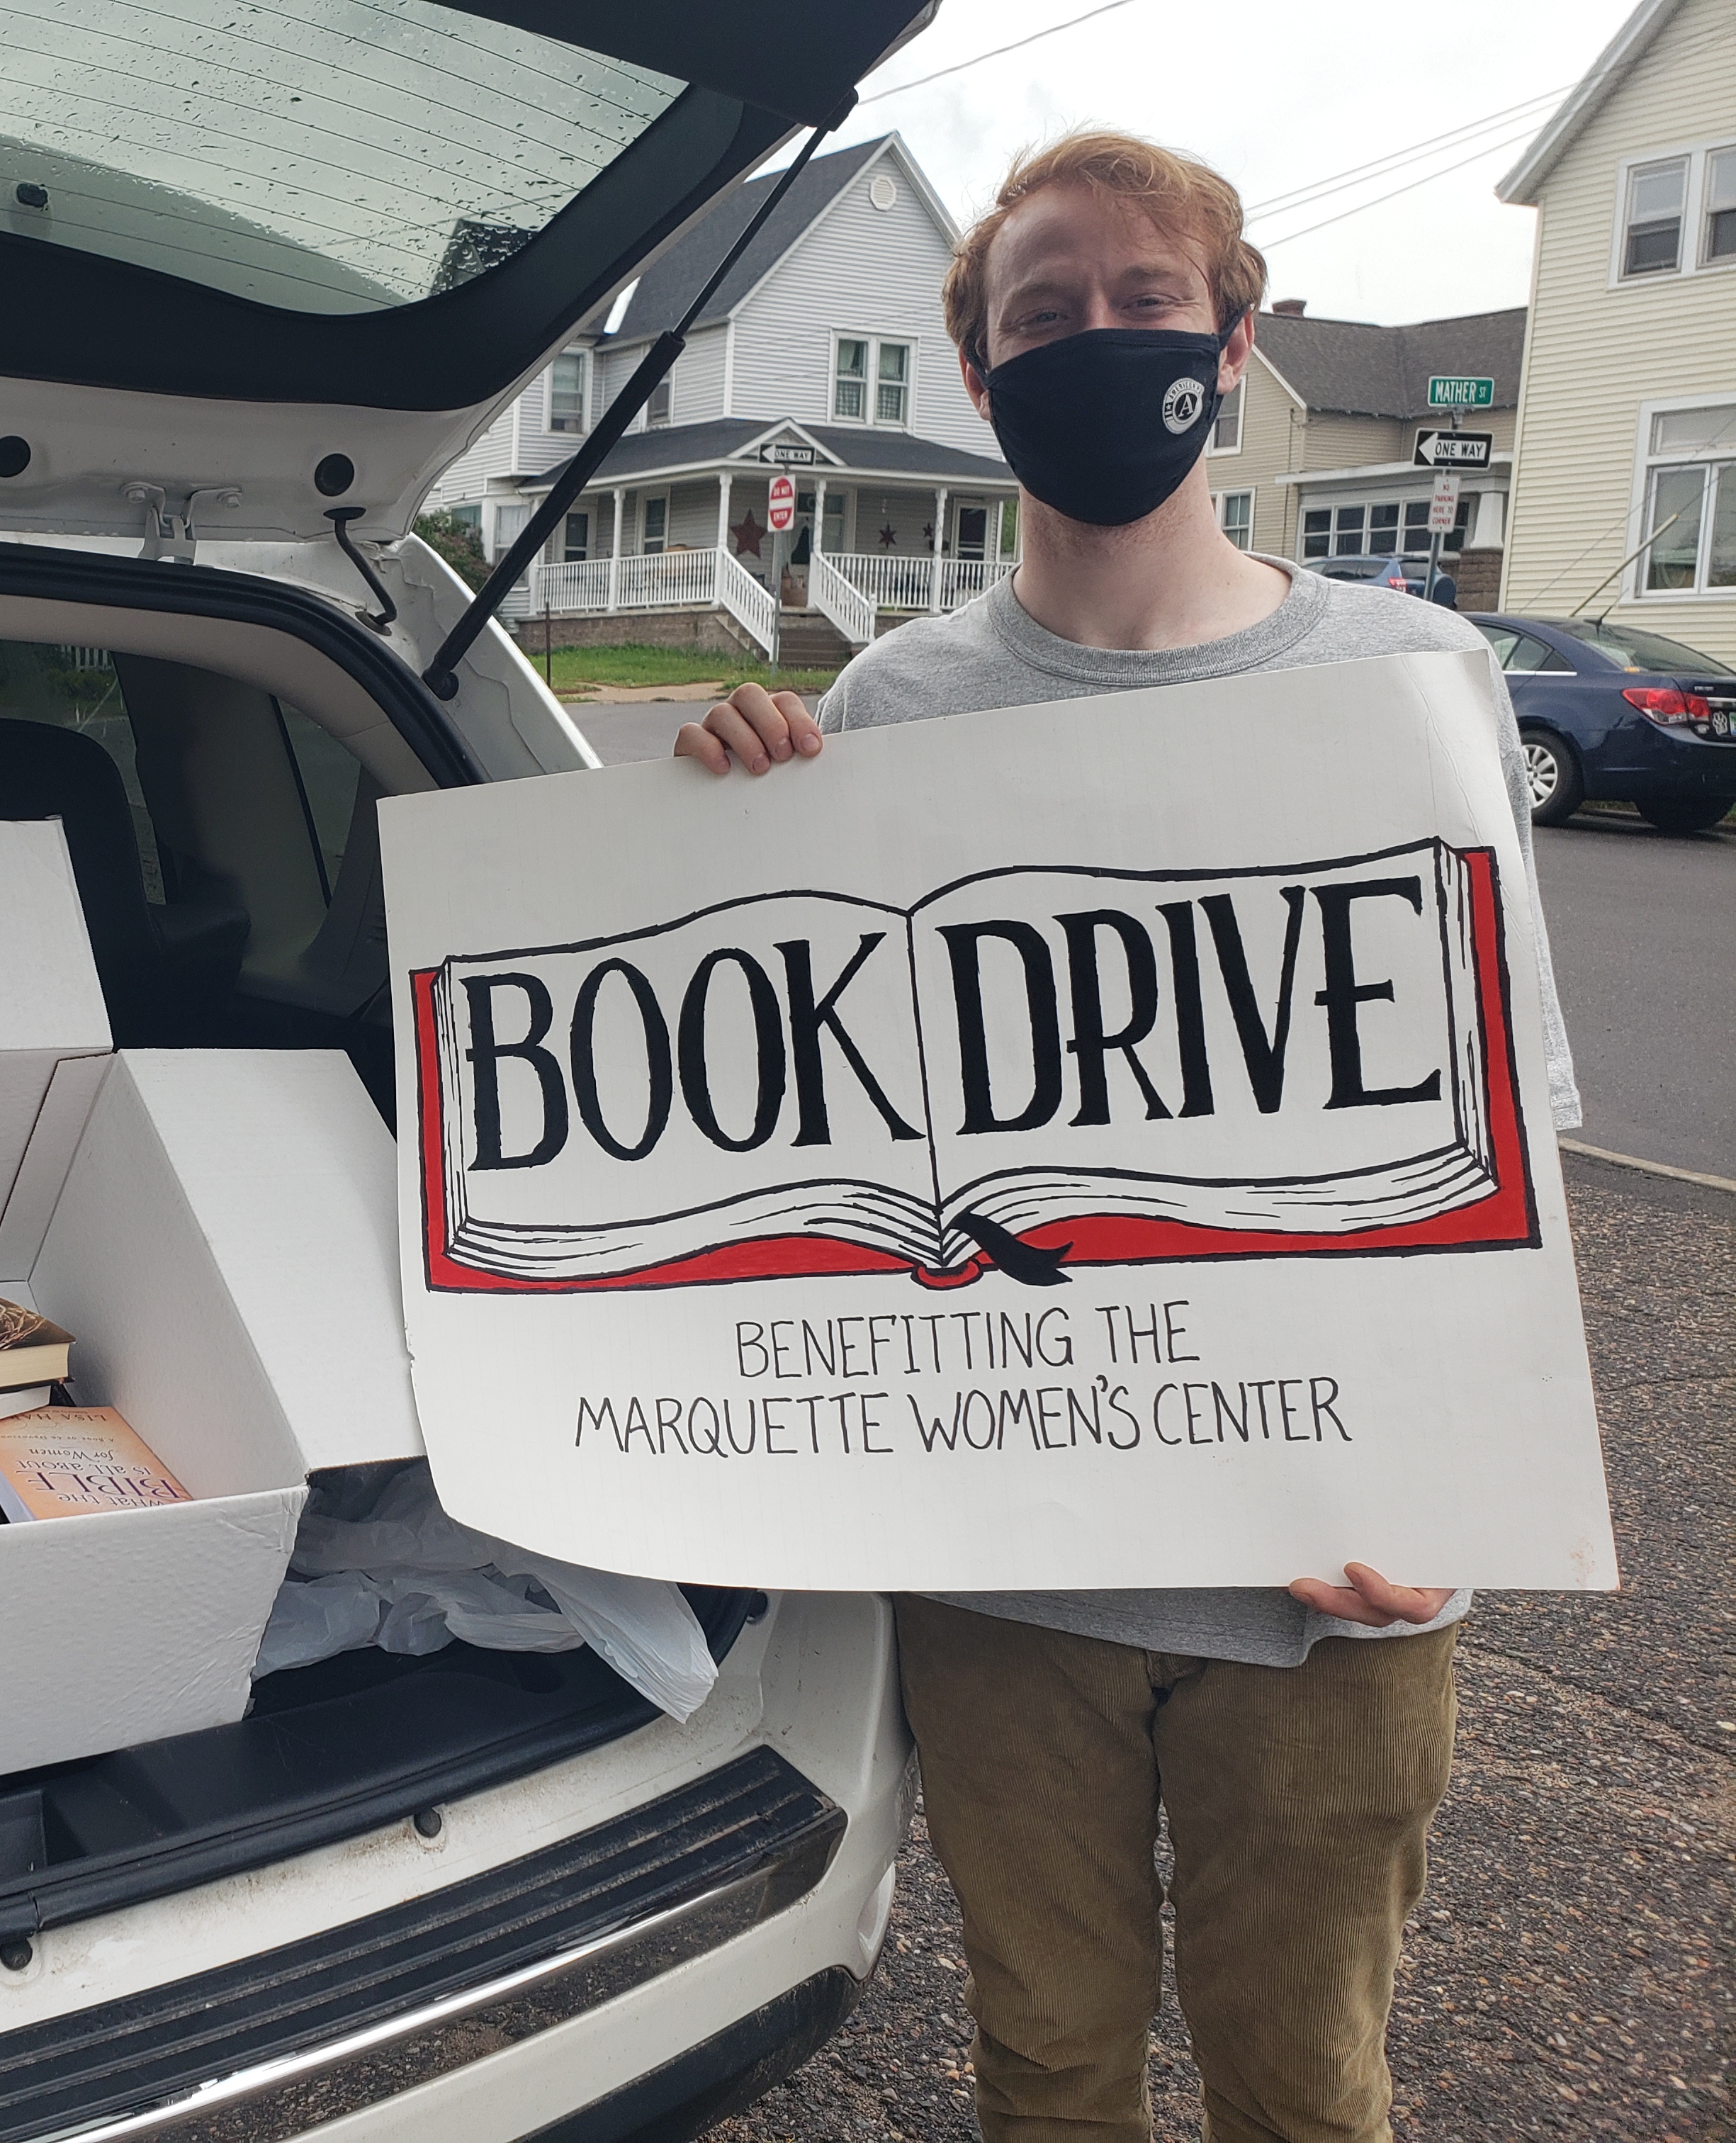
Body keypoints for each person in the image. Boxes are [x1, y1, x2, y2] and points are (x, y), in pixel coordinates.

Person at [675, 132, 1580, 2143]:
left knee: (1308, 2084)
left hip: (1331, 1576)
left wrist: (1464, 1499)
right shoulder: (893, 705)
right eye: (1044, 315)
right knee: (1050, 2061)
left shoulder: (1413, 675)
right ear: (981, 379)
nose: (1099, 342)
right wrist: (707, 812)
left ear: (1232, 338)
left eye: (1146, 304)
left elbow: (1502, 1127)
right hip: (1017, 1582)